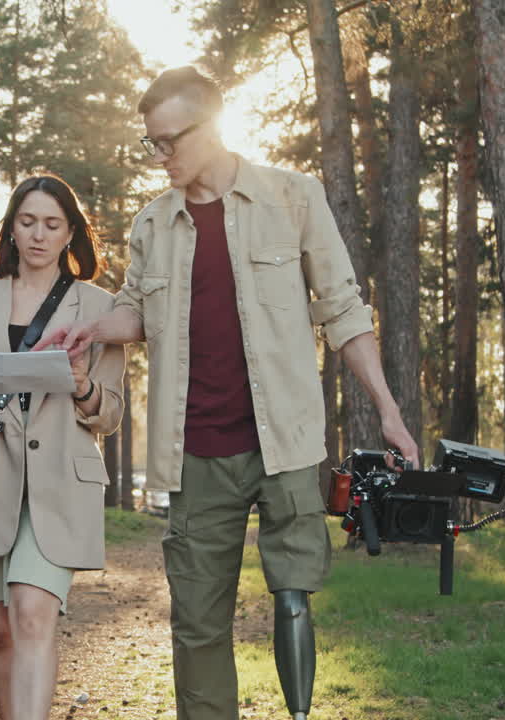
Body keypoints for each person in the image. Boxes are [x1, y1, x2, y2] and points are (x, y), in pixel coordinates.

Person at [36, 67, 419, 720]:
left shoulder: (293, 197)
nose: (160, 155)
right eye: (150, 143)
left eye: (168, 141)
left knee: (294, 595)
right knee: (197, 622)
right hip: (195, 452)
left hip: (287, 443)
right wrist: (90, 328)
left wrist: (389, 411)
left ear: (210, 126)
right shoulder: (153, 224)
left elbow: (344, 310)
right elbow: (136, 311)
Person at [0, 174, 125, 720]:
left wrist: (82, 383)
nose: (38, 235)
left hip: (60, 482)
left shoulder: (98, 305)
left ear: (71, 234)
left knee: (33, 612)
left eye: (52, 225)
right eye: (28, 221)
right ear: (11, 227)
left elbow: (109, 412)